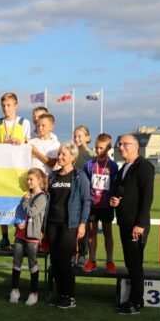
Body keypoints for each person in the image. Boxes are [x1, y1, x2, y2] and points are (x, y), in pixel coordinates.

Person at [110, 134, 155, 315]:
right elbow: (123, 193)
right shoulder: (123, 168)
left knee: (135, 264)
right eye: (119, 144)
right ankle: (131, 299)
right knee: (130, 262)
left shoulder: (144, 167)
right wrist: (115, 201)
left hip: (136, 225)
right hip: (124, 222)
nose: (121, 147)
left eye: (125, 144)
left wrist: (140, 223)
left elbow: (147, 197)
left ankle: (136, 301)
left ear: (136, 147)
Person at [46, 143, 90, 309]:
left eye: (64, 154)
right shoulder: (53, 176)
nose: (60, 157)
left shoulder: (79, 176)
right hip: (52, 223)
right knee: (55, 261)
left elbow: (87, 201)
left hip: (69, 224)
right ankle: (61, 294)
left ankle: (70, 296)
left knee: (65, 261)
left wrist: (83, 224)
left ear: (73, 157)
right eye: (59, 153)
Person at [0, 92, 32, 250]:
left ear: (15, 105)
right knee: (2, 205)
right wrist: (6, 143)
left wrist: (18, 143)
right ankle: (4, 238)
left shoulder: (24, 123)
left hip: (19, 172)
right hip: (2, 171)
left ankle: (19, 239)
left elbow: (28, 147)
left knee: (18, 206)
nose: (5, 108)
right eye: (3, 105)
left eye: (9, 105)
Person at [10, 168, 48, 305]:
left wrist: (25, 202)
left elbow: (31, 212)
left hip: (33, 236)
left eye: (31, 179)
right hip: (20, 234)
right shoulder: (27, 195)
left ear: (39, 180)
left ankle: (34, 293)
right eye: (27, 179)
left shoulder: (42, 197)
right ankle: (14, 290)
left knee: (32, 262)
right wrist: (17, 223)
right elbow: (19, 213)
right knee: (17, 261)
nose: (28, 182)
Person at [83, 133, 119, 274]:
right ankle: (92, 260)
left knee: (107, 232)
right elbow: (86, 184)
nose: (99, 151)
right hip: (92, 205)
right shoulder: (89, 164)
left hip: (106, 205)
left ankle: (109, 261)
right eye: (97, 148)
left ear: (109, 148)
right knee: (91, 233)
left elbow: (115, 184)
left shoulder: (113, 166)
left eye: (102, 148)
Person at [72, 125, 95, 267]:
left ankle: (82, 254)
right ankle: (72, 254)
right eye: (75, 136)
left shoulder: (92, 155)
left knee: (84, 226)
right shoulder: (72, 152)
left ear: (87, 137)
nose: (76, 138)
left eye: (80, 136)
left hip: (86, 195)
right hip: (73, 194)